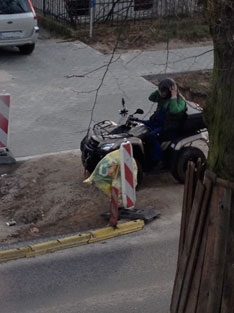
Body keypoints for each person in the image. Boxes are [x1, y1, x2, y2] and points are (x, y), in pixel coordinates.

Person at [141, 78, 187, 163]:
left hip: (167, 127)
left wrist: (173, 95)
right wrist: (159, 89)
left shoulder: (180, 101)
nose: (162, 94)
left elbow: (174, 110)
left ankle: (157, 160)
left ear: (170, 91)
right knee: (138, 125)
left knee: (150, 137)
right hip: (156, 123)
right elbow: (151, 98)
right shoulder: (162, 98)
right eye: (161, 91)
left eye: (164, 92)